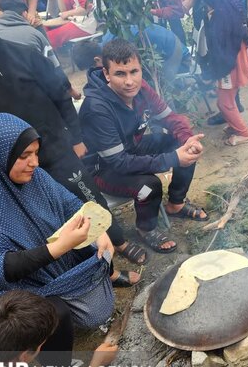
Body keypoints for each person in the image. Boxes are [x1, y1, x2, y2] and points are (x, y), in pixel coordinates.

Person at [0, 0, 148, 267]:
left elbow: (60, 95)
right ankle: (91, 262)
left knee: (87, 196)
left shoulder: (24, 55)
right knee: (51, 215)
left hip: (56, 147)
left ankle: (119, 240)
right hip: (17, 162)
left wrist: (77, 138)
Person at [0, 113, 126, 333]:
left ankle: (103, 282)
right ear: (1, 155)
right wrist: (60, 246)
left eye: (36, 153)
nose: (34, 162)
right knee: (54, 311)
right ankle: (54, 360)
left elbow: (71, 205)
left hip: (38, 250)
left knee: (97, 247)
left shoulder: (35, 176)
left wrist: (99, 232)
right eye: (25, 155)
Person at [79, 39, 208, 253]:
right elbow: (119, 163)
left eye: (134, 71)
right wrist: (173, 159)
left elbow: (171, 118)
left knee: (184, 146)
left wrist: (188, 140)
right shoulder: (97, 108)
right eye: (120, 74)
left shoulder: (141, 89)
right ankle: (146, 228)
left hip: (132, 149)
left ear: (140, 69)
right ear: (106, 74)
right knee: (150, 185)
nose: (130, 81)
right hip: (104, 169)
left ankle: (176, 203)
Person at [203, 0, 248, 146]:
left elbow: (222, 49)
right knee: (226, 99)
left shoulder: (222, 16)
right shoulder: (228, 7)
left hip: (229, 62)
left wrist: (216, 72)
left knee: (224, 102)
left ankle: (244, 133)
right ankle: (234, 125)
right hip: (234, 56)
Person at [72, 24, 191, 84]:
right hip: (166, 46)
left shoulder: (115, 48)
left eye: (93, 67)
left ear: (97, 59)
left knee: (160, 88)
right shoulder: (109, 36)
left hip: (175, 51)